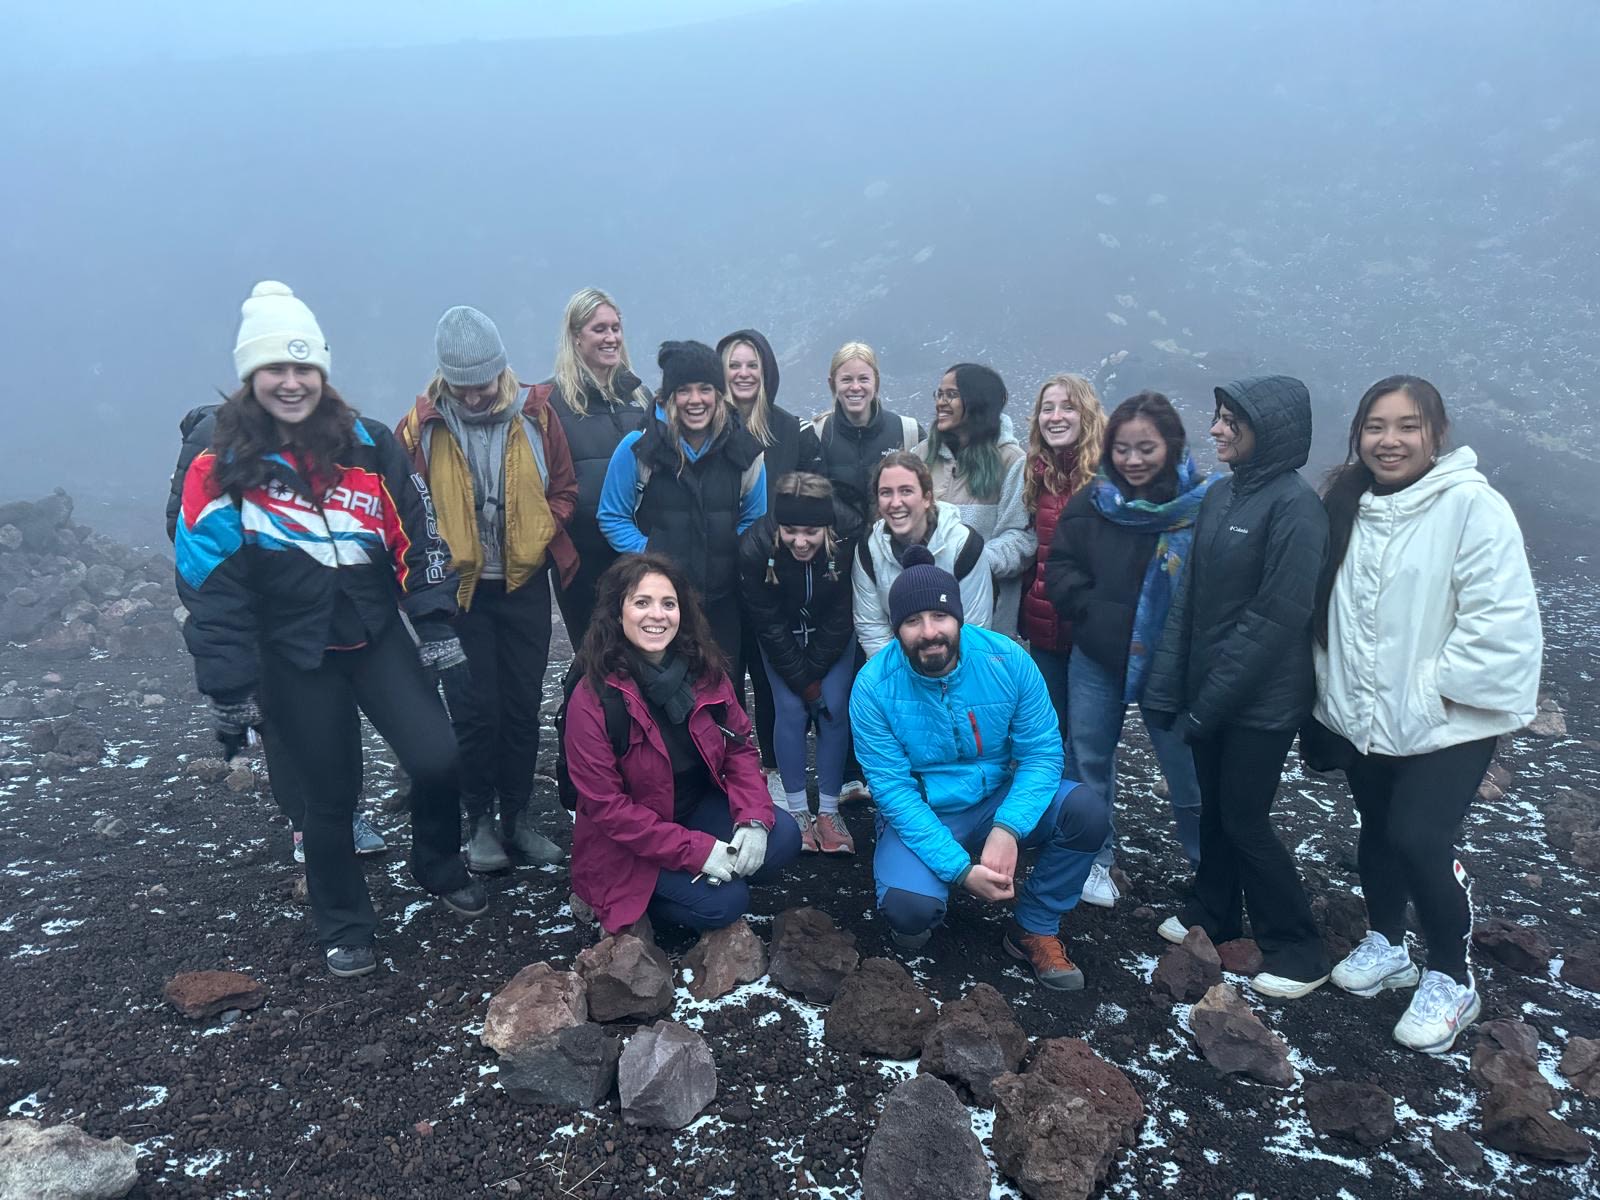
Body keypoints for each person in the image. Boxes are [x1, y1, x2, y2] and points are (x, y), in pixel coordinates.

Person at [175, 281, 485, 979]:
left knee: (438, 756)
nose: (291, 382)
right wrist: (228, 685)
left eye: (303, 367)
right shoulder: (218, 469)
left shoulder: (369, 445)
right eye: (275, 369)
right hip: (292, 651)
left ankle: (436, 862)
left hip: (373, 632)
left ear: (322, 371)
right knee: (329, 794)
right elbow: (208, 582)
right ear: (251, 377)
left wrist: (433, 621)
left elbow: (419, 532)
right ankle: (344, 921)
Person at [1311, 375, 1541, 1053]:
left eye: (1407, 426)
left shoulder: (1472, 507)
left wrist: (1430, 690)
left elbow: (1498, 619)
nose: (1390, 441)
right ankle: (1386, 941)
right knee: (1378, 828)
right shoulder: (1349, 506)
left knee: (1418, 837)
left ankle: (1452, 976)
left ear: (1435, 433)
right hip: (1365, 713)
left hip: (1449, 720)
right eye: (1376, 426)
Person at [1144, 376, 1332, 999]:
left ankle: (1298, 945)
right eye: (1218, 417)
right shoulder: (1224, 497)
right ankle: (1213, 912)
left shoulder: (1296, 508)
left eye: (1231, 421)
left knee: (1245, 818)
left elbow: (1275, 620)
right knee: (1219, 812)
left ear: (1268, 431)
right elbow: (1189, 599)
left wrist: (1208, 705)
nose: (1217, 429)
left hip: (1262, 705)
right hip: (1210, 694)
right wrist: (1171, 687)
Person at [850, 545, 1108, 989]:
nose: (929, 632)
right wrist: (961, 871)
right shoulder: (874, 687)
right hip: (929, 809)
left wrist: (1008, 828)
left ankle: (1034, 927)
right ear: (896, 630)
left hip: (997, 796)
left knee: (1085, 812)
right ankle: (920, 878)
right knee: (910, 915)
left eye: (939, 617)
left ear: (960, 617)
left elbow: (1043, 754)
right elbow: (893, 791)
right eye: (912, 621)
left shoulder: (1007, 661)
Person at [397, 306, 578, 872]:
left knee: (522, 707)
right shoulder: (421, 428)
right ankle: (477, 823)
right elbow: (404, 510)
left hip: (524, 585)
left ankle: (517, 819)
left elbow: (567, 487)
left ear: (501, 370)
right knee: (474, 711)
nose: (474, 397)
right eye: (462, 387)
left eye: (483, 385)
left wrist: (543, 526)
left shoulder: (537, 416)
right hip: (461, 594)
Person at [168, 405, 388, 861]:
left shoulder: (317, 428)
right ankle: (305, 825)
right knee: (283, 721)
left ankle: (341, 814)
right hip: (262, 616)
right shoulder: (211, 441)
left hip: (316, 606)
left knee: (331, 715)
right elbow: (186, 525)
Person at [565, 552, 802, 933]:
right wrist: (697, 852)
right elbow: (608, 809)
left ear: (682, 612)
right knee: (726, 904)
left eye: (668, 603)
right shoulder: (593, 697)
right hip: (626, 841)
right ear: (617, 611)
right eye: (641, 602)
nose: (656, 615)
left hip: (690, 810)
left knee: (782, 837)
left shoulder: (703, 670)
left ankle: (706, 876)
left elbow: (738, 748)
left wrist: (753, 819)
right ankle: (629, 902)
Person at [1046, 392, 1211, 908]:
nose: (1133, 461)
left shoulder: (1200, 508)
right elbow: (1062, 567)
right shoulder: (1093, 502)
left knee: (1184, 769)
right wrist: (1094, 612)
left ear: (1172, 445)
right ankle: (1092, 859)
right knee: (1088, 757)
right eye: (1122, 449)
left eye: (1146, 448)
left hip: (1172, 664)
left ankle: (1209, 866)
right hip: (1096, 655)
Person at [597, 340, 766, 666]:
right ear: (669, 396)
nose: (695, 400)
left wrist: (730, 551)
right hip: (658, 608)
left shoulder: (745, 453)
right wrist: (650, 552)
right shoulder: (638, 448)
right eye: (684, 390)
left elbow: (755, 518)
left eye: (705, 389)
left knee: (722, 696)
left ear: (719, 393)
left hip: (723, 603)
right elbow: (612, 515)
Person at [738, 472, 863, 853]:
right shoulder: (755, 547)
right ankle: (795, 811)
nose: (801, 541)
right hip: (781, 637)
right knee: (790, 709)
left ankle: (828, 811)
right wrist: (803, 681)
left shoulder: (850, 534)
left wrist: (818, 674)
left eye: (811, 531)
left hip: (832, 634)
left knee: (834, 708)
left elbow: (845, 608)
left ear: (826, 526)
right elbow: (766, 621)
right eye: (791, 530)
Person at [717, 329, 820, 776]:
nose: (743, 373)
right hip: (718, 576)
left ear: (766, 371)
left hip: (773, 577)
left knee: (771, 678)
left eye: (751, 365)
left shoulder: (788, 430)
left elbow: (810, 501)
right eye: (734, 365)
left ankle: (778, 772)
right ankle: (734, 771)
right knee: (724, 676)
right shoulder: (703, 427)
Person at [546, 287, 652, 647]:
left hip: (638, 557)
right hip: (583, 563)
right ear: (576, 337)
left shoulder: (641, 398)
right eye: (599, 329)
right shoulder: (551, 404)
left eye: (616, 328)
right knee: (596, 664)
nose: (611, 338)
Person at [916, 363, 1035, 639]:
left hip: (986, 615)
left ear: (977, 401)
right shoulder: (921, 456)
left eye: (951, 395)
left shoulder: (1011, 461)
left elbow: (1022, 539)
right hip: (926, 611)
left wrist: (971, 562)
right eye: (939, 394)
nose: (940, 403)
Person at [1017, 374, 1105, 743]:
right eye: (1047, 408)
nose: (1055, 416)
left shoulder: (1108, 477)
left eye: (1068, 407)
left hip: (1093, 634)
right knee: (1048, 737)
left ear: (1087, 415)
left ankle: (1087, 803)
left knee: (1089, 746)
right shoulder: (1039, 474)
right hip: (1044, 630)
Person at [854, 451, 993, 656]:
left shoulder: (964, 546)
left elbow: (975, 628)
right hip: (897, 664)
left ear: (927, 498)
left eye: (906, 491)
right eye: (885, 493)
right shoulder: (868, 549)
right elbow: (872, 628)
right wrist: (901, 678)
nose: (895, 503)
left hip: (956, 663)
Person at [800, 341, 924, 525]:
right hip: (837, 549)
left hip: (894, 548)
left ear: (876, 382)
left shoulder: (908, 432)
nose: (855, 387)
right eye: (846, 379)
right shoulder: (817, 435)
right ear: (832, 384)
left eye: (864, 379)